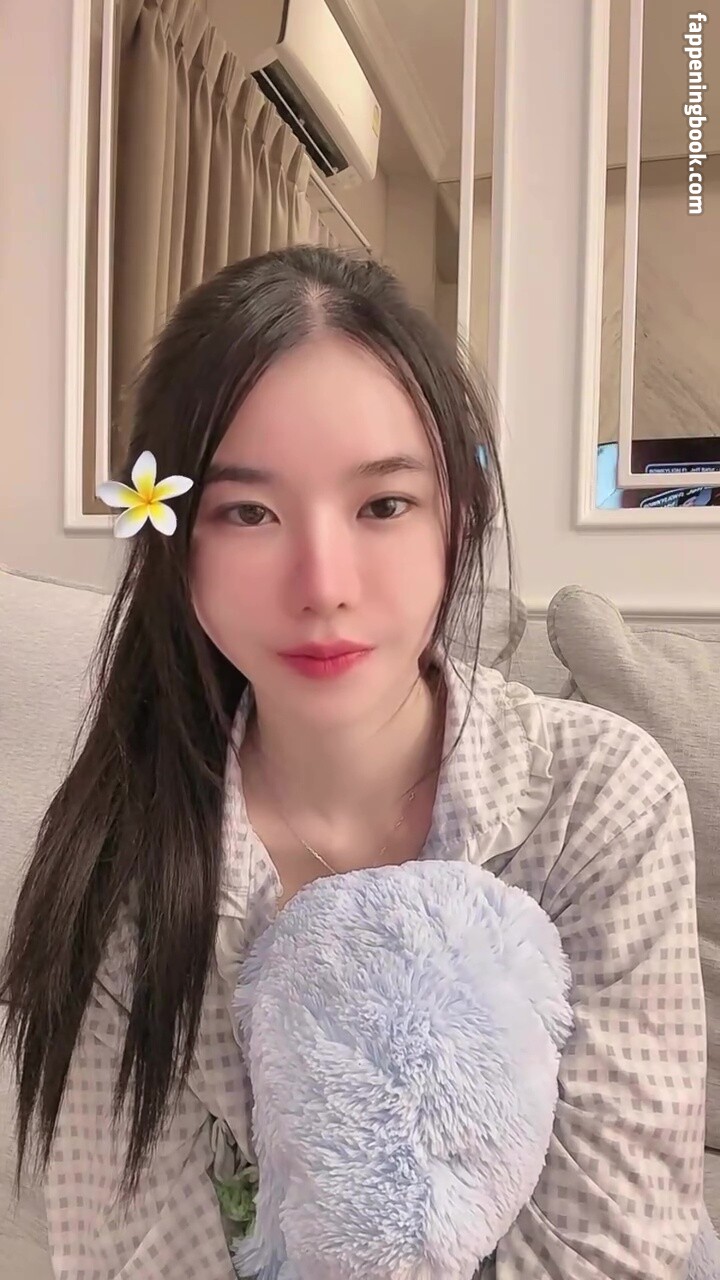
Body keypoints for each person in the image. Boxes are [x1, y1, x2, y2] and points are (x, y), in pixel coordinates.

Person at [0, 246, 707, 1280]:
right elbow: (130, 1252)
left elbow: (614, 1247)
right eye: (249, 512)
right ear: (176, 544)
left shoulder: (599, 798)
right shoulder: (119, 857)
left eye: (383, 506)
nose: (323, 583)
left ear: (456, 518)